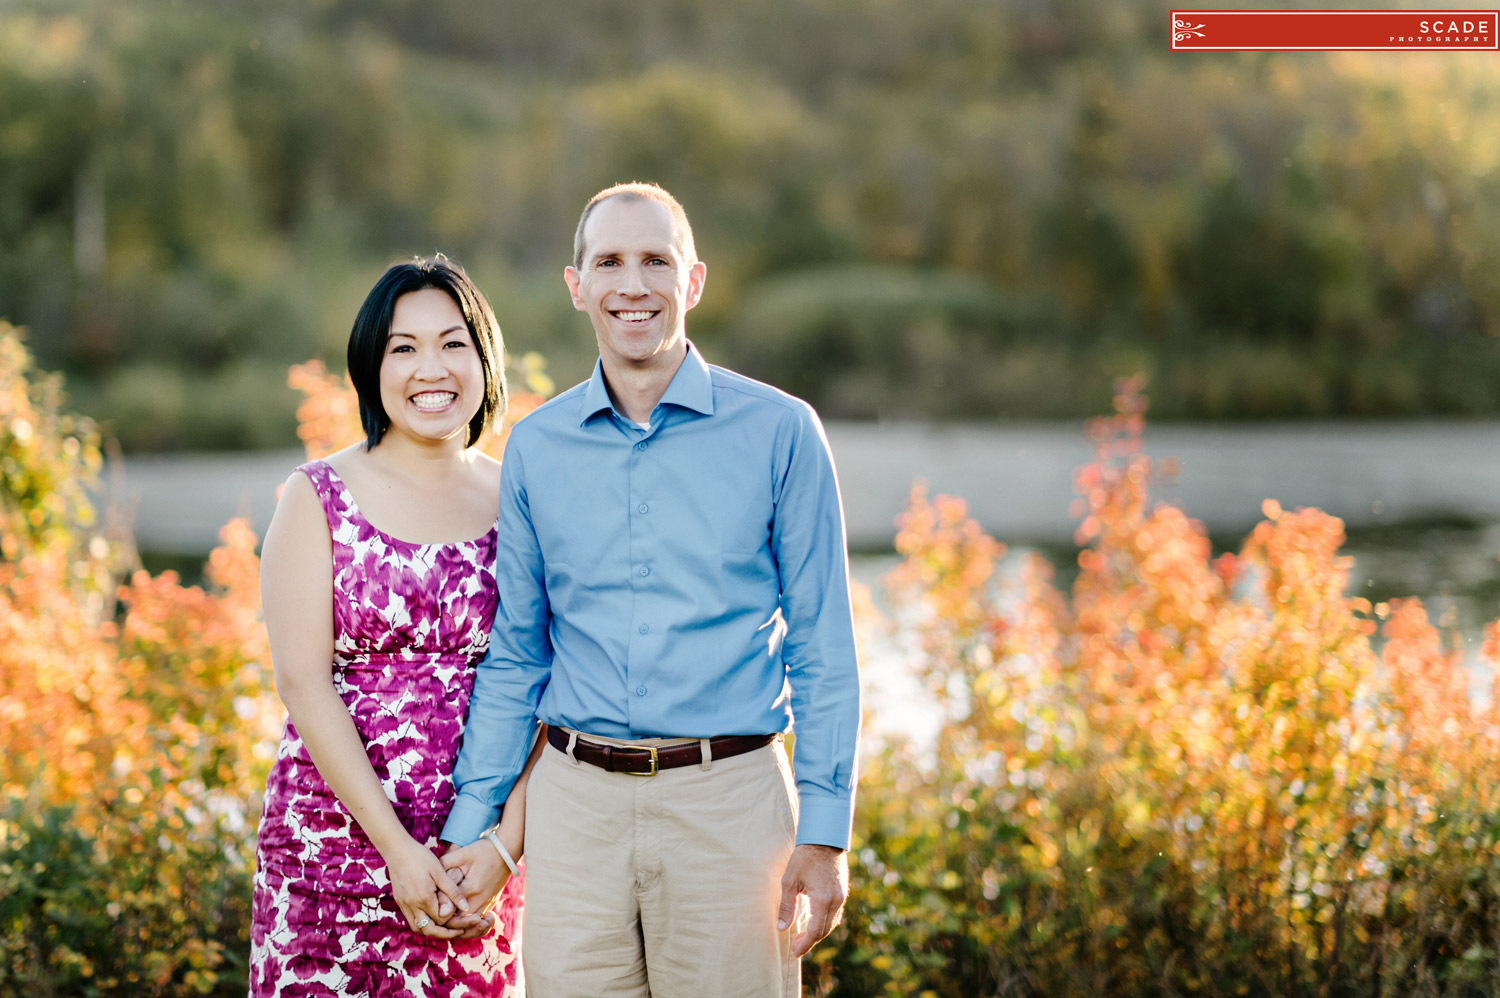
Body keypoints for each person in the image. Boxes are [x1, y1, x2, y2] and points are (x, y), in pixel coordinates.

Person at [438, 182, 861, 996]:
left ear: (692, 280)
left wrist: (826, 833)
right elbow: (519, 655)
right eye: (610, 262)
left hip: (732, 806)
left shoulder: (781, 432)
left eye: (654, 261)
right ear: (578, 286)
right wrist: (473, 824)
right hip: (575, 813)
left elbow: (824, 649)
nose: (633, 284)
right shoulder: (537, 448)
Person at [249, 257, 537, 996]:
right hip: (332, 854)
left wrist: (505, 844)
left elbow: (558, 682)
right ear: (370, 366)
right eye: (402, 347)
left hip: (479, 863)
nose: (429, 368)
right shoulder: (316, 497)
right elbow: (303, 687)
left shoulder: (528, 499)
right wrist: (399, 853)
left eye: (452, 343)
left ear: (484, 358)